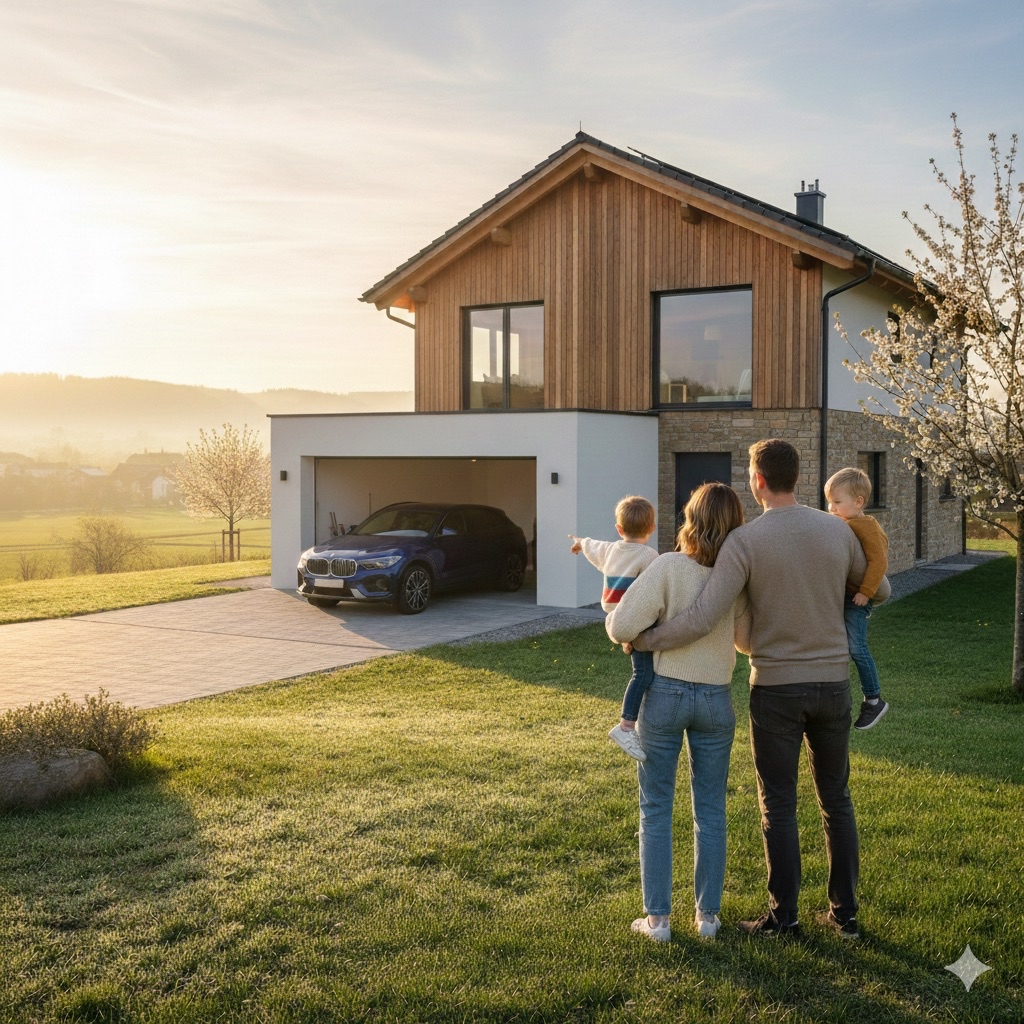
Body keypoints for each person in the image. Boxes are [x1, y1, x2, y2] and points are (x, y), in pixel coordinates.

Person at [631, 439, 889, 941]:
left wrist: (647, 639)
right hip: (834, 683)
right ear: (799, 476)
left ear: (758, 480)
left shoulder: (744, 542)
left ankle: (785, 918)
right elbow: (880, 588)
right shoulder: (835, 530)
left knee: (779, 803)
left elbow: (706, 615)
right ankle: (845, 916)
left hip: (775, 688)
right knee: (836, 798)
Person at [606, 482, 748, 943]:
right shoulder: (739, 574)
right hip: (716, 698)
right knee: (710, 808)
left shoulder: (668, 566)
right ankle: (708, 918)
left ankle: (658, 921)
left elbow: (622, 625)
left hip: (664, 697)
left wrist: (639, 631)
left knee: (655, 807)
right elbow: (745, 640)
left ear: (690, 519)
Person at [570, 495, 659, 761]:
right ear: (652, 528)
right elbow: (653, 593)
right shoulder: (649, 556)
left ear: (619, 529)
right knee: (642, 675)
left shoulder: (611, 550)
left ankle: (640, 721)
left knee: (646, 673)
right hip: (635, 620)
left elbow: (591, 545)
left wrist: (578, 543)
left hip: (613, 617)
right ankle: (626, 726)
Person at [824, 467, 890, 730]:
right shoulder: (846, 522)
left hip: (858, 597)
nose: (832, 507)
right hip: (844, 594)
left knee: (857, 648)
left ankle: (874, 699)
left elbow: (879, 562)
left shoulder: (866, 527)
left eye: (837, 502)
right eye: (830, 501)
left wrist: (866, 592)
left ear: (859, 502)